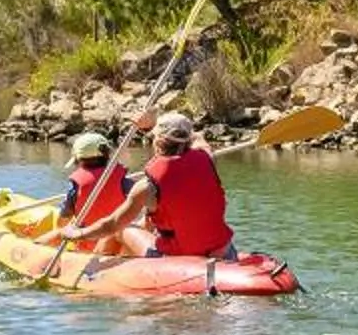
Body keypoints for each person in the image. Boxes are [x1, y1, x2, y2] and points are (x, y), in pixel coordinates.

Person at [44, 110, 236, 260]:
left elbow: (110, 225)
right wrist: (155, 124)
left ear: (157, 142)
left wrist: (77, 234)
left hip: (177, 258)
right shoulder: (207, 158)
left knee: (121, 229)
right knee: (144, 224)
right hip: (223, 251)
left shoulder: (146, 187)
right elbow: (196, 136)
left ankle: (92, 270)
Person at [53, 130, 125, 249]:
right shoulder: (123, 178)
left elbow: (63, 221)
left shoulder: (76, 184)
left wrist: (61, 229)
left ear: (78, 159)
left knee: (58, 232)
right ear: (107, 155)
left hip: (87, 243)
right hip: (117, 243)